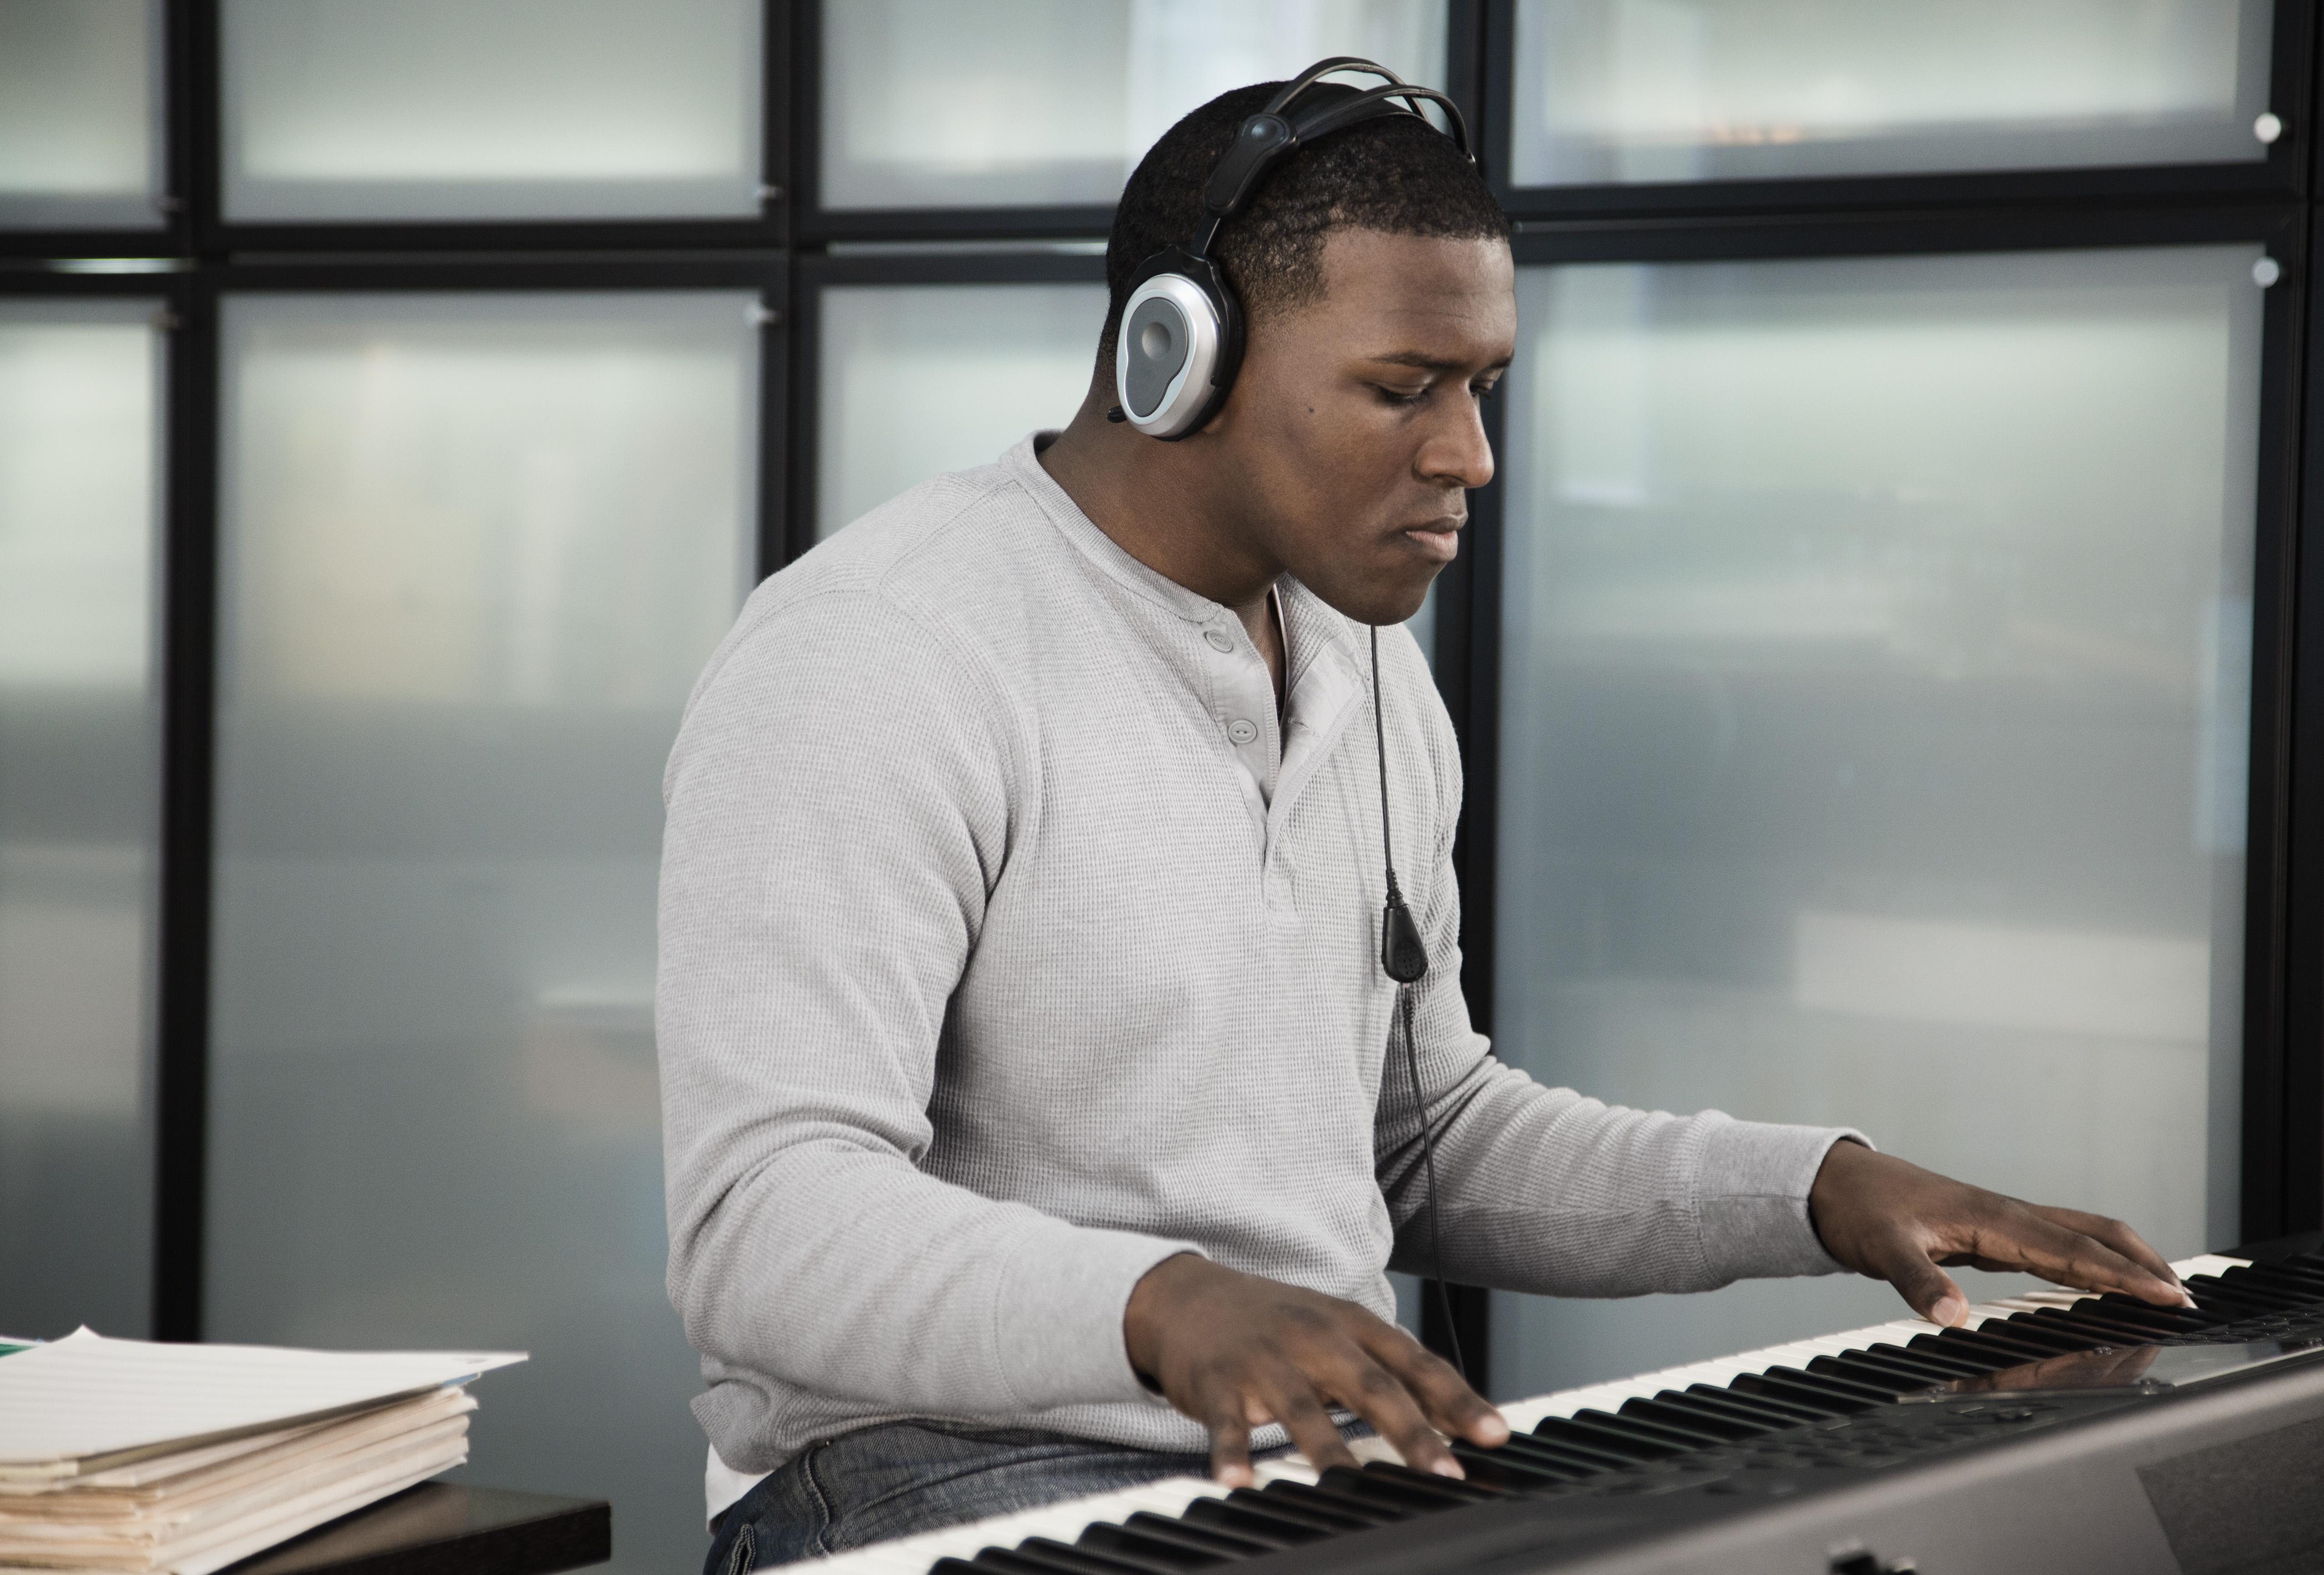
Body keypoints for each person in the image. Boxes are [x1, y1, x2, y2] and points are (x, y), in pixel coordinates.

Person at [657, 74, 2191, 1575]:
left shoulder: (1366, 665)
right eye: (1404, 389)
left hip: (1303, 1470)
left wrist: (1816, 1190)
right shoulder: (875, 653)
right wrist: (1168, 1303)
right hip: (926, 1473)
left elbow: (1425, 1132)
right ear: (1175, 358)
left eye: (1482, 390)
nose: (1471, 457)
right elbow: (762, 1225)